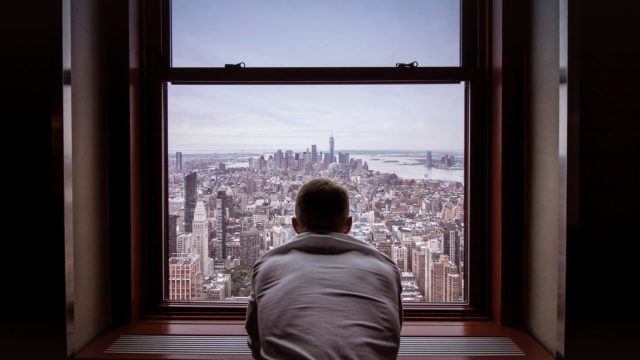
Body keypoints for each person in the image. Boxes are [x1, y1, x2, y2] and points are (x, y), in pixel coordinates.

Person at [246, 178, 403, 360]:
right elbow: (392, 333)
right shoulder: (384, 269)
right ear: (348, 225)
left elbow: (255, 339)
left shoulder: (268, 267)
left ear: (295, 225)